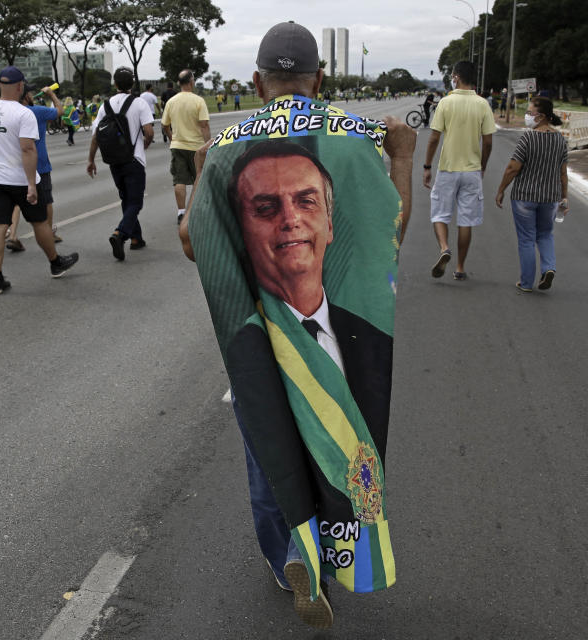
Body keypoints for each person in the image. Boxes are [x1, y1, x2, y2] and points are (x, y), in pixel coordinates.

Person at [177, 20, 416, 629]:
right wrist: (405, 161)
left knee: (268, 445)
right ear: (322, 79)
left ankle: (289, 552)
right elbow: (389, 240)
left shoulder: (230, 147)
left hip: (261, 341)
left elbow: (193, 245)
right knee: (342, 442)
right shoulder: (358, 142)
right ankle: (336, 552)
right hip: (344, 344)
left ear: (257, 82)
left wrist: (204, 181)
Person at [0, 65, 78, 294]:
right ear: (20, 86)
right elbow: (27, 150)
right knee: (39, 222)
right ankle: (55, 263)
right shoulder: (24, 113)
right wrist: (32, 184)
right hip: (20, 179)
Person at [423, 60, 495, 281]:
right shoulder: (483, 104)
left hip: (447, 169)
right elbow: (488, 142)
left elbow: (434, 137)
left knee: (439, 214)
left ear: (455, 76)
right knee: (466, 220)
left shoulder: (446, 102)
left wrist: (427, 166)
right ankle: (460, 268)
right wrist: (482, 166)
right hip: (472, 171)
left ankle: (444, 248)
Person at [494, 97, 569, 292]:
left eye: (530, 112)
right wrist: (564, 197)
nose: (527, 116)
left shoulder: (529, 137)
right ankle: (549, 268)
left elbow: (512, 167)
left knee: (526, 239)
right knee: (545, 235)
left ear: (542, 116)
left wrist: (501, 189)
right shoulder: (561, 140)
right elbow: (563, 172)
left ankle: (526, 283)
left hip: (525, 196)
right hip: (550, 197)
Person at [87, 66, 155, 261]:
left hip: (114, 160)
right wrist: (145, 146)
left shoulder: (105, 106)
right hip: (134, 160)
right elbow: (149, 132)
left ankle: (136, 238)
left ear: (115, 84)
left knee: (126, 198)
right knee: (135, 202)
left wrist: (91, 160)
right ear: (132, 83)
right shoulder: (139, 103)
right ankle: (120, 233)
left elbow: (96, 137)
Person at [7, 84, 65, 251]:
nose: (32, 94)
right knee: (46, 199)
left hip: (19, 163)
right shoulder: (37, 111)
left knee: (18, 202)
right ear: (25, 96)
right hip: (39, 163)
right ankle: (49, 233)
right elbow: (60, 111)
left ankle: (12, 235)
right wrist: (51, 94)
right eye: (30, 93)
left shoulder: (13, 113)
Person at [160, 69, 210, 225]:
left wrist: (171, 138)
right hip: (196, 147)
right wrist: (208, 145)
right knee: (199, 179)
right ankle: (199, 210)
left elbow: (164, 125)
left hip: (178, 146)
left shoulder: (171, 101)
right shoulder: (198, 101)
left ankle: (181, 212)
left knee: (179, 180)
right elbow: (204, 125)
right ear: (191, 82)